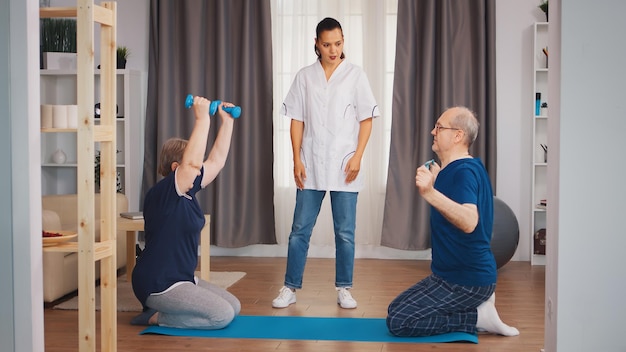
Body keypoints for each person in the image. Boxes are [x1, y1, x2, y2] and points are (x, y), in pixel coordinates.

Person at [272, 17, 380, 310]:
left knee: (345, 233)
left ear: (343, 42)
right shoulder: (305, 76)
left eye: (339, 43)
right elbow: (297, 119)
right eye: (327, 44)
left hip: (346, 165)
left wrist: (358, 156)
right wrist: (296, 159)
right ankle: (290, 287)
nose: (334, 50)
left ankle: (344, 288)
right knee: (299, 231)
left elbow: (367, 119)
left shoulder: (356, 75)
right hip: (311, 163)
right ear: (317, 44)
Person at [386, 107, 519, 337]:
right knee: (394, 309)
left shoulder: (463, 172)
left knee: (399, 322)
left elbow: (469, 221)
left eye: (439, 127)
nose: (432, 131)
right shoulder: (457, 170)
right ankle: (477, 311)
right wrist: (439, 180)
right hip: (447, 276)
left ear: (458, 135)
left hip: (466, 281)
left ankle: (477, 317)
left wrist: (429, 193)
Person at [130, 96, 240, 329]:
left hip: (182, 279)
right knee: (221, 316)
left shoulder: (188, 192)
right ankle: (154, 316)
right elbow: (191, 166)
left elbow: (217, 160)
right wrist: (202, 119)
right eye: (193, 165)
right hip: (157, 283)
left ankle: (164, 310)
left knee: (234, 306)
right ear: (175, 169)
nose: (199, 170)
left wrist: (227, 121)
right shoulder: (164, 193)